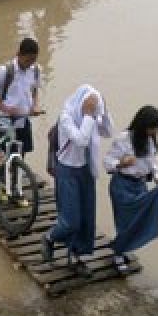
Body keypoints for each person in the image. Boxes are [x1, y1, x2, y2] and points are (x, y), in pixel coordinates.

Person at [44, 85, 114, 277]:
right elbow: (82, 139)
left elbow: (108, 132)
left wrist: (104, 110)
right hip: (67, 171)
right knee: (70, 221)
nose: (93, 109)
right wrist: (89, 116)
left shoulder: (90, 116)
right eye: (91, 105)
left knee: (86, 218)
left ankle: (77, 257)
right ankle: (49, 237)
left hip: (85, 171)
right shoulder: (66, 117)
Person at [103, 105, 158, 274]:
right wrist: (121, 163)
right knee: (124, 222)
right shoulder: (123, 139)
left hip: (140, 185)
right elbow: (107, 162)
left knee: (137, 221)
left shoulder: (150, 140)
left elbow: (153, 163)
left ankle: (122, 247)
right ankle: (118, 253)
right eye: (153, 128)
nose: (154, 132)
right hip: (122, 185)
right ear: (143, 125)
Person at [0, 37, 43, 157]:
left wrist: (35, 105)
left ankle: (18, 173)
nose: (30, 64)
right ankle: (7, 174)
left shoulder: (36, 70)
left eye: (33, 60)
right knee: (10, 154)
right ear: (19, 55)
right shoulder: (6, 70)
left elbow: (35, 89)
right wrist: (6, 109)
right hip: (6, 119)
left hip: (24, 118)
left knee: (22, 153)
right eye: (28, 60)